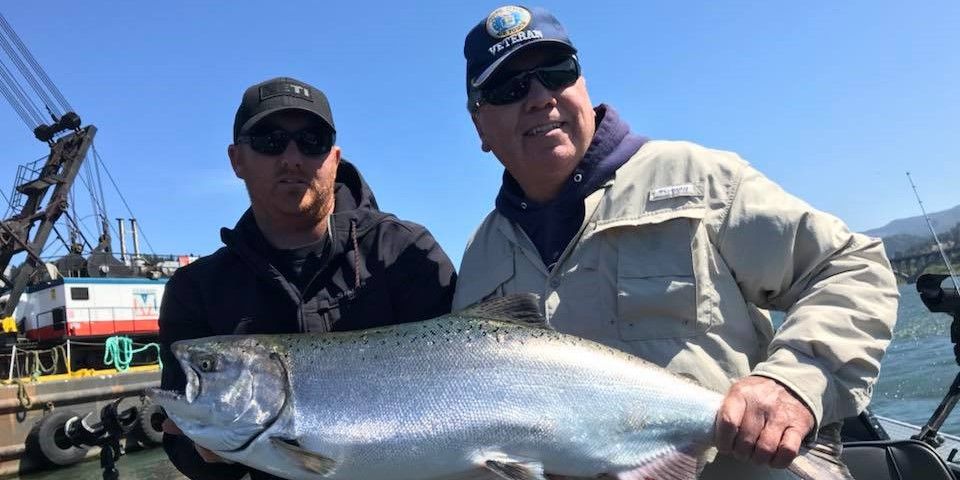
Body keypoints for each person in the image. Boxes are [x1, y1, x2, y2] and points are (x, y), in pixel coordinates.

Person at [452, 6, 899, 479]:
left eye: (557, 72)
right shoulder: (480, 256)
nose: (541, 98)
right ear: (480, 127)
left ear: (582, 83)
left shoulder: (700, 179)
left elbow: (852, 267)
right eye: (510, 88)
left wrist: (793, 383)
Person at [158, 76, 457, 480]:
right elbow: (184, 449)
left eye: (312, 140)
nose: (292, 158)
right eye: (269, 140)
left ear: (334, 157)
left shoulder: (404, 251)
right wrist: (207, 453)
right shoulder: (196, 289)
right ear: (236, 159)